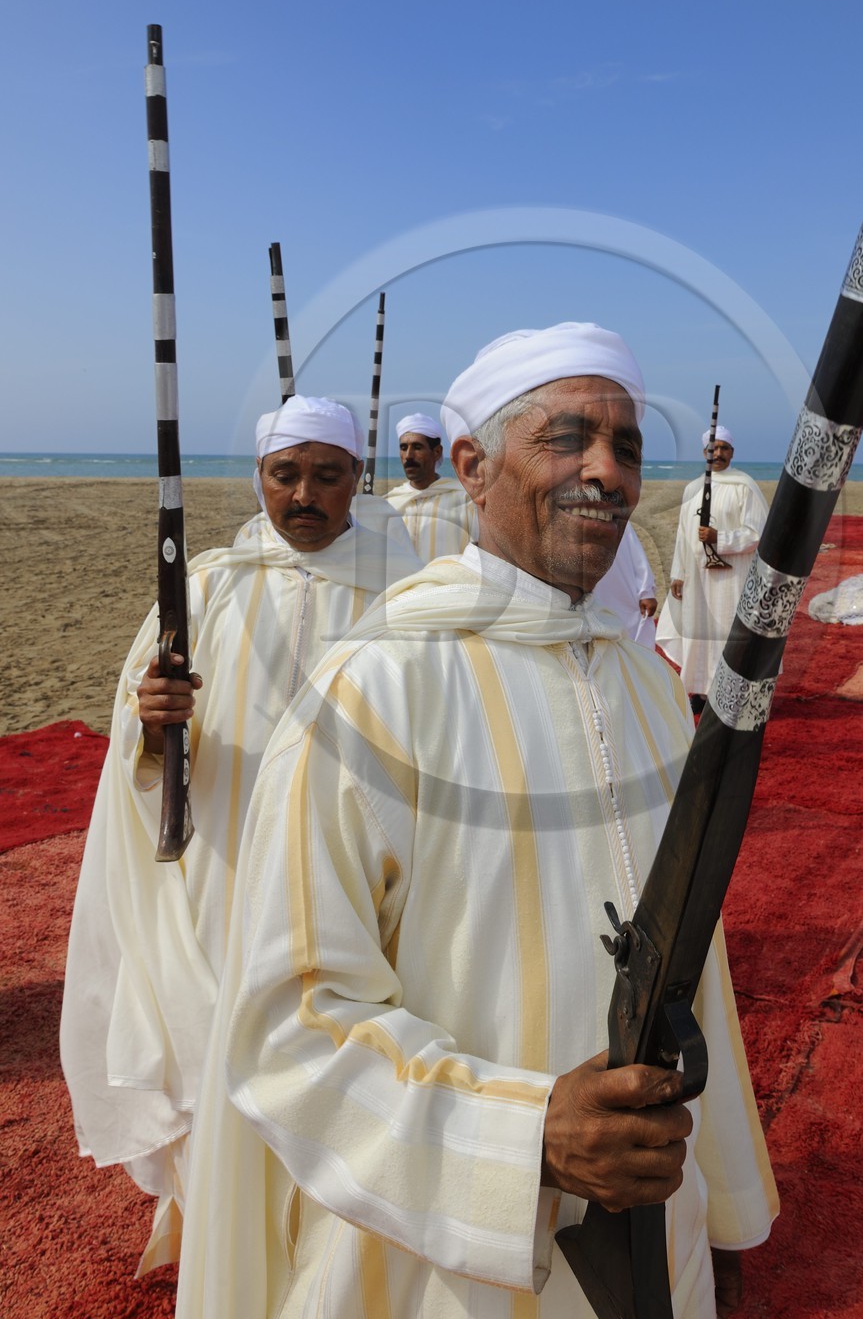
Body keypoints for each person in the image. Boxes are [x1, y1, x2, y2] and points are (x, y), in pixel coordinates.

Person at [176, 324, 777, 1319]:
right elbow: (287, 1023)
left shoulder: (645, 682)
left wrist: (713, 1205)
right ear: (471, 466)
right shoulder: (374, 694)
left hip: (652, 1235)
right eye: (567, 438)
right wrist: (528, 1137)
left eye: (626, 446)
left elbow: (687, 968)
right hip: (434, 1268)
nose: (607, 472)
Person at [60, 395, 419, 1272]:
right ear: (259, 478)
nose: (304, 494)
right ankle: (218, 1225)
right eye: (284, 475)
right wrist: (151, 720)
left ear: (356, 480)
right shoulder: (206, 586)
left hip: (352, 876)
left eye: (326, 475)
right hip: (227, 866)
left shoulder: (403, 591)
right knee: (223, 1043)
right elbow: (137, 745)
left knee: (343, 1044)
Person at [656, 425, 768, 715]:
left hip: (732, 578)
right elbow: (683, 534)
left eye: (724, 448)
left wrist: (721, 538)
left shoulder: (744, 486)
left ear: (732, 452)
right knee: (698, 637)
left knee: (727, 637)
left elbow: (757, 533)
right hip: (697, 578)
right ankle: (702, 693)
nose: (718, 453)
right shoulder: (693, 488)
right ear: (703, 452)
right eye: (712, 448)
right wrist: (678, 573)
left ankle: (730, 695)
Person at [385, 410, 480, 561]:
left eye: (417, 447)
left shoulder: (465, 500)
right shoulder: (389, 504)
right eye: (403, 448)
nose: (408, 456)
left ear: (436, 452)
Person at [591, 520, 658, 646]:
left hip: (620, 588)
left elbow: (632, 546)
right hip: (587, 591)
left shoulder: (612, 507)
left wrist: (646, 592)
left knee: (630, 636)